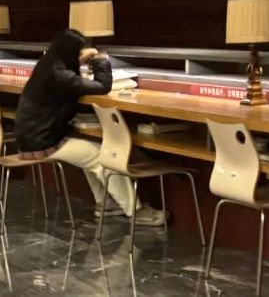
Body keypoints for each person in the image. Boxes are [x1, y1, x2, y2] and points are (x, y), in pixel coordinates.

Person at [14, 29, 164, 226]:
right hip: (42, 143)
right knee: (103, 157)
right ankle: (136, 211)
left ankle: (106, 204)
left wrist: (79, 59)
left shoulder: (47, 64)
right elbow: (103, 87)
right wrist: (100, 60)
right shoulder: (60, 75)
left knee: (89, 151)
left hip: (33, 138)